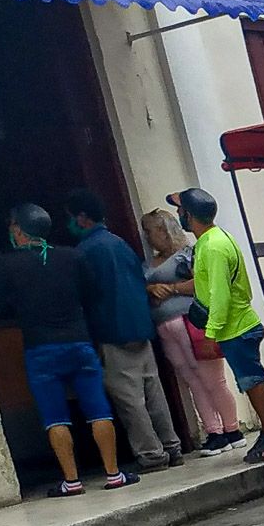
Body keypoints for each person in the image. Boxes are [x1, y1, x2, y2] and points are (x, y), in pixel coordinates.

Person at [0, 204, 139, 496]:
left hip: (41, 349)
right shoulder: (73, 257)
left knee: (55, 416)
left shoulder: (7, 265)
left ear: (19, 229)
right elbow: (92, 296)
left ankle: (72, 480)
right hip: (79, 343)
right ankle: (114, 473)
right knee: (98, 410)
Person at [159, 188, 264, 463]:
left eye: (180, 210)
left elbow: (220, 294)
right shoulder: (212, 240)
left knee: (253, 381)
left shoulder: (213, 246)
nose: (179, 215)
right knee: (251, 380)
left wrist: (210, 333)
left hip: (236, 327)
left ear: (188, 215)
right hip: (236, 325)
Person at [67, 188, 184, 471]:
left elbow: (85, 296)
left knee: (130, 399)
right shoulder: (120, 244)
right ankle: (172, 445)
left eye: (70, 218)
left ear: (82, 218)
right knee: (153, 392)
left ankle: (151, 454)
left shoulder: (85, 252)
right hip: (141, 326)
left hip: (112, 331)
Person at [142, 208, 244, 456]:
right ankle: (214, 431)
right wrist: (151, 289)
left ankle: (232, 429)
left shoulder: (187, 255)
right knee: (191, 381)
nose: (147, 237)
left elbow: (202, 283)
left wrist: (171, 289)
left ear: (165, 231)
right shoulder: (148, 262)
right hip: (166, 327)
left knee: (211, 378)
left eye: (150, 231)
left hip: (190, 321)